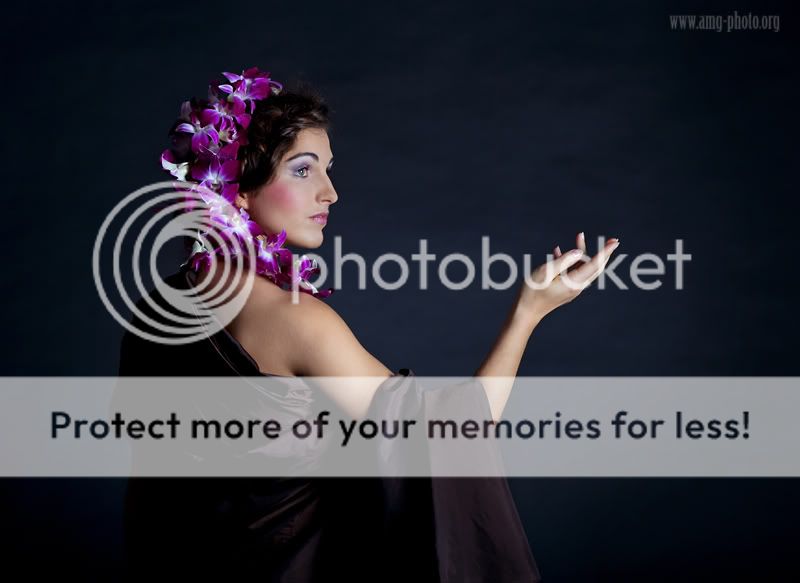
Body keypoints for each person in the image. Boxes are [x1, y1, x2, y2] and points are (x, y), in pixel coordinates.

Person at [119, 67, 620, 581]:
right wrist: (529, 311)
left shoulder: (157, 306)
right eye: (303, 170)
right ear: (238, 187)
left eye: (328, 170)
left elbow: (144, 499)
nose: (330, 193)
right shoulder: (299, 322)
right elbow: (449, 434)